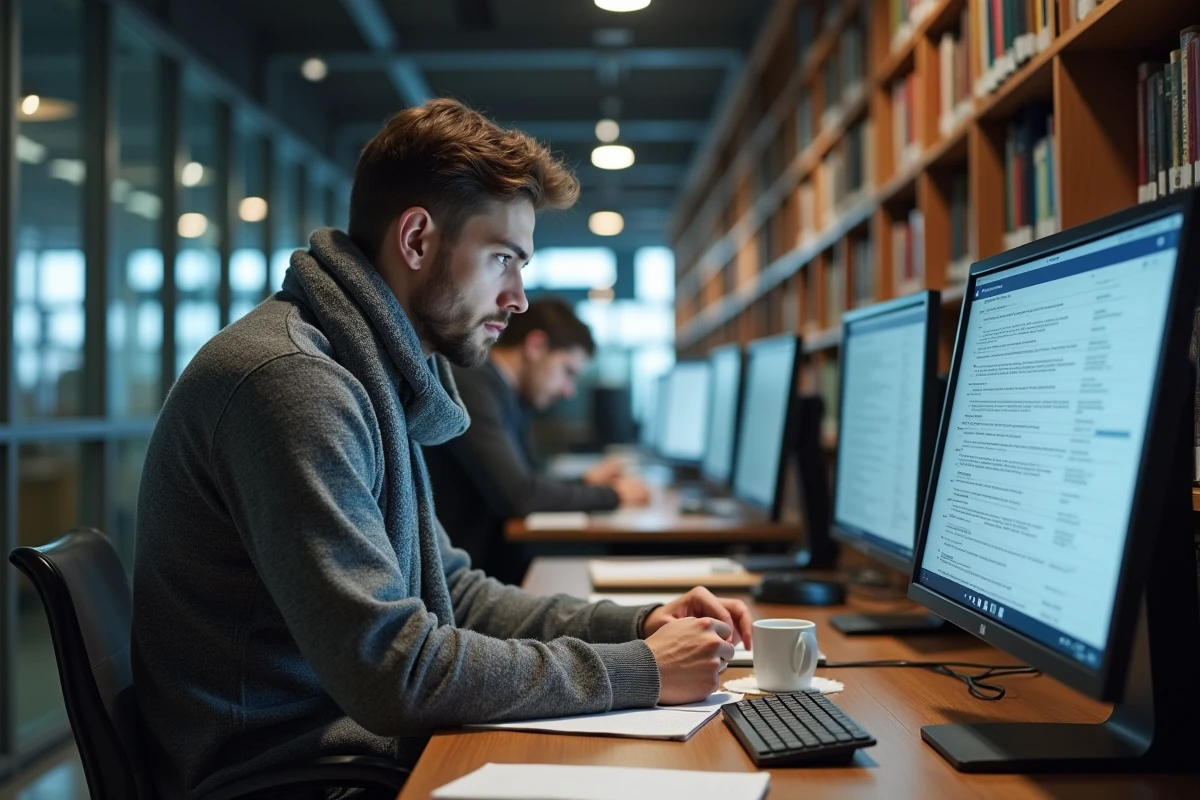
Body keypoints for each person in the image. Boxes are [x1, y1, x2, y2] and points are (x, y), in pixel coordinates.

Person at [131, 98, 753, 800]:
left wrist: (639, 624)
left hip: (351, 750)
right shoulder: (294, 383)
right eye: (502, 260)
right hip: (291, 779)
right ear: (419, 240)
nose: (518, 298)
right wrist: (640, 668)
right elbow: (393, 670)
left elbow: (451, 591)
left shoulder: (366, 372)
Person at [424, 297, 649, 583]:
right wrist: (614, 495)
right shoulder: (473, 385)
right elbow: (521, 496)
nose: (569, 391)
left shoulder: (507, 394)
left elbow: (528, 479)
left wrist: (587, 483)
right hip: (461, 580)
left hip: (483, 566)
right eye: (568, 372)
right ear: (536, 346)